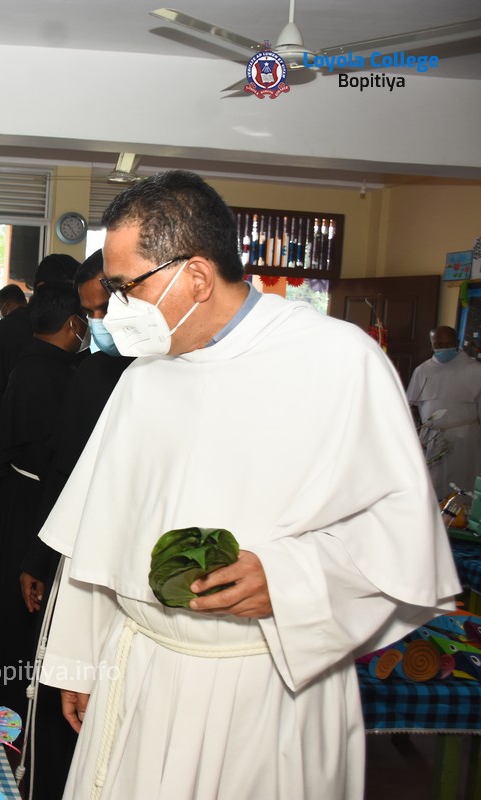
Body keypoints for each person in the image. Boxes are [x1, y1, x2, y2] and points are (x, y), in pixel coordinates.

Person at [37, 170, 458, 799]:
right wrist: (79, 660)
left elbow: (401, 540)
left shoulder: (338, 361)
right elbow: (97, 536)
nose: (113, 309)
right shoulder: (145, 378)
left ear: (196, 276)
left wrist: (287, 580)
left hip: (264, 685)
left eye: (126, 288)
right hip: (139, 668)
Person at [17, 250, 135, 800]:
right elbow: (64, 473)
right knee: (72, 697)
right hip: (85, 556)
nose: (98, 323)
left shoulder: (174, 371)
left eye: (105, 308)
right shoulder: (93, 371)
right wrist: (39, 558)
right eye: (90, 313)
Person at [0, 282, 85, 723]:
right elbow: (55, 455)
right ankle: (12, 700)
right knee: (23, 603)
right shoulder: (51, 372)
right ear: (73, 324)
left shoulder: (33, 361)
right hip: (35, 500)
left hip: (16, 493)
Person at [0, 254, 79, 446]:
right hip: (9, 443)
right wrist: (16, 412)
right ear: (42, 287)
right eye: (67, 290)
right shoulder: (6, 331)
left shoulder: (74, 329)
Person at [406, 325, 481, 499]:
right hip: (430, 438)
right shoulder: (422, 370)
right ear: (432, 344)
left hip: (464, 438)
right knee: (431, 484)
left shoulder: (475, 370)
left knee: (462, 481)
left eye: (448, 343)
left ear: (457, 342)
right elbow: (413, 405)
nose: (444, 348)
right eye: (439, 344)